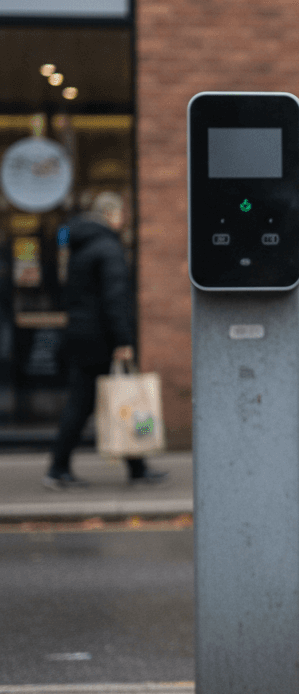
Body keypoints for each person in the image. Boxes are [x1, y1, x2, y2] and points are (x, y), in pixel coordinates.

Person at [44, 192, 166, 489]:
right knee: (105, 400)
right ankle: (59, 468)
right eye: (121, 213)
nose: (123, 219)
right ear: (111, 214)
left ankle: (136, 467)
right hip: (99, 338)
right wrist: (123, 340)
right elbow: (115, 299)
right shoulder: (108, 248)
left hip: (81, 333)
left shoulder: (79, 247)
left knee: (109, 399)